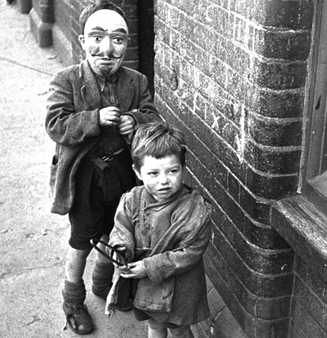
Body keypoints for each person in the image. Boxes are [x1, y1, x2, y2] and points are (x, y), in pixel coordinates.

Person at [44, 0, 161, 334]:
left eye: (118, 39)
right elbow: (56, 123)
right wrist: (93, 119)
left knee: (119, 230)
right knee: (81, 240)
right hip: (84, 177)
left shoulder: (136, 81)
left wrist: (135, 121)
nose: (107, 48)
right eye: (97, 36)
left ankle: (102, 281)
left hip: (122, 173)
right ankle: (72, 299)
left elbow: (152, 118)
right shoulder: (66, 80)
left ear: (127, 45)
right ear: (82, 41)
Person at [105, 122, 212, 338]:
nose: (164, 181)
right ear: (138, 171)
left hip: (181, 285)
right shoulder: (132, 200)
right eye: (153, 173)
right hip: (148, 286)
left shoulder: (195, 208)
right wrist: (121, 250)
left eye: (172, 171)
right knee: (154, 326)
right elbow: (121, 231)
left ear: (183, 167)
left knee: (180, 329)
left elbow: (190, 252)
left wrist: (149, 267)